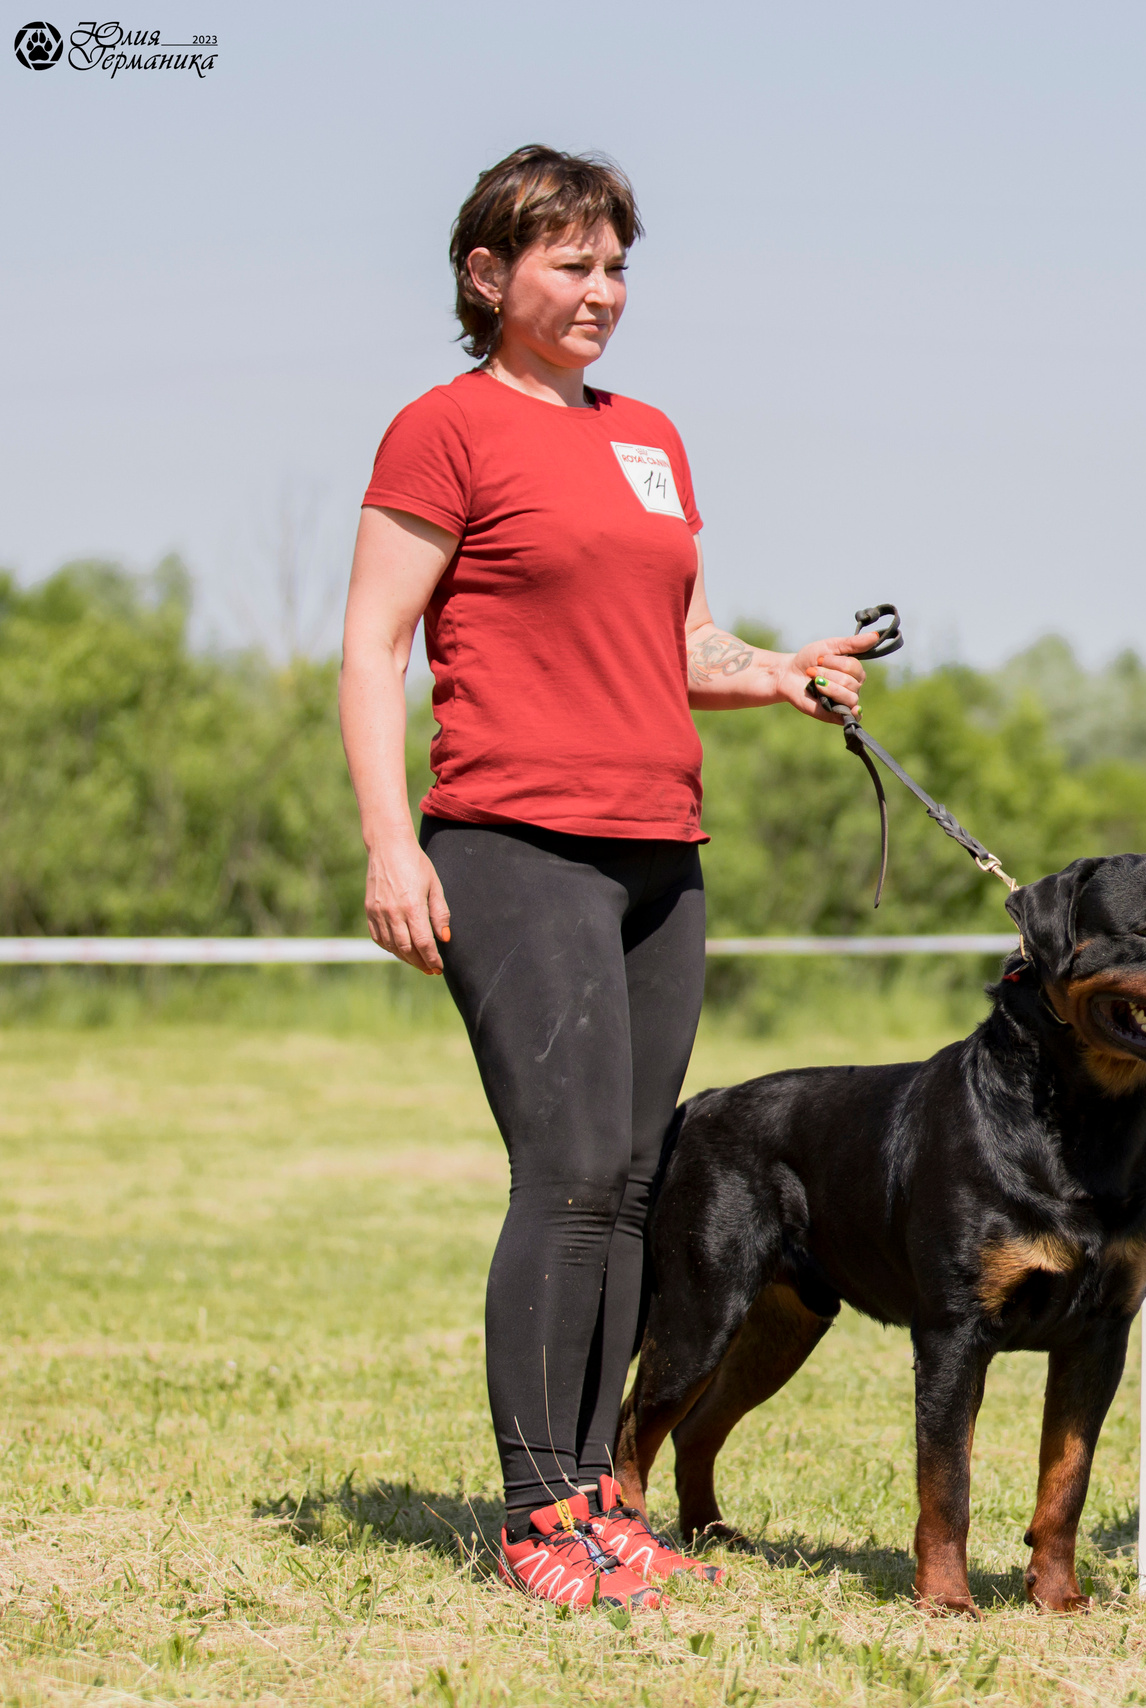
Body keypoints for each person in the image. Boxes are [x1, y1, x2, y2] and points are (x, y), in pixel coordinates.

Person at [338, 145, 878, 1610]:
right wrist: (393, 841)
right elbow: (374, 647)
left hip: (662, 851)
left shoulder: (652, 439)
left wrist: (783, 674)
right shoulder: (442, 430)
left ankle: (596, 1495)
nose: (599, 293)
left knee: (636, 1187)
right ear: (487, 275)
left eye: (615, 266)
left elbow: (686, 646)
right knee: (568, 1175)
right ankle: (533, 1513)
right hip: (515, 841)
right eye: (569, 264)